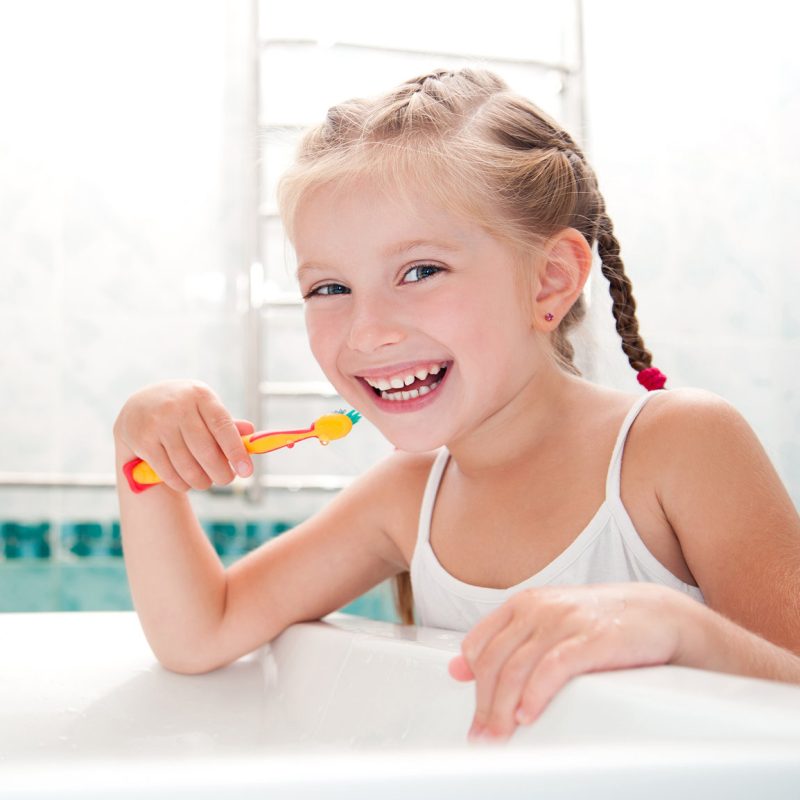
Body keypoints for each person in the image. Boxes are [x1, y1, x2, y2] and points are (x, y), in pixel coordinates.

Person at [114, 68, 800, 742]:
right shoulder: (407, 498)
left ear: (549, 281)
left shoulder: (677, 446)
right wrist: (137, 443)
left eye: (420, 271)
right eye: (328, 288)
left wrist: (677, 628)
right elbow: (201, 631)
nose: (367, 329)